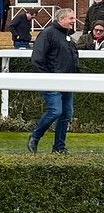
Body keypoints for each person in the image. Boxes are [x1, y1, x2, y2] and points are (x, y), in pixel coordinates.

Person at [27, 8, 79, 155]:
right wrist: (46, 78)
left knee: (66, 114)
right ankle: (35, 136)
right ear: (61, 19)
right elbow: (37, 59)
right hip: (50, 81)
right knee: (56, 110)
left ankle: (59, 147)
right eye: (71, 18)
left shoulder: (67, 37)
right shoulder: (47, 34)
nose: (73, 21)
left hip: (67, 82)